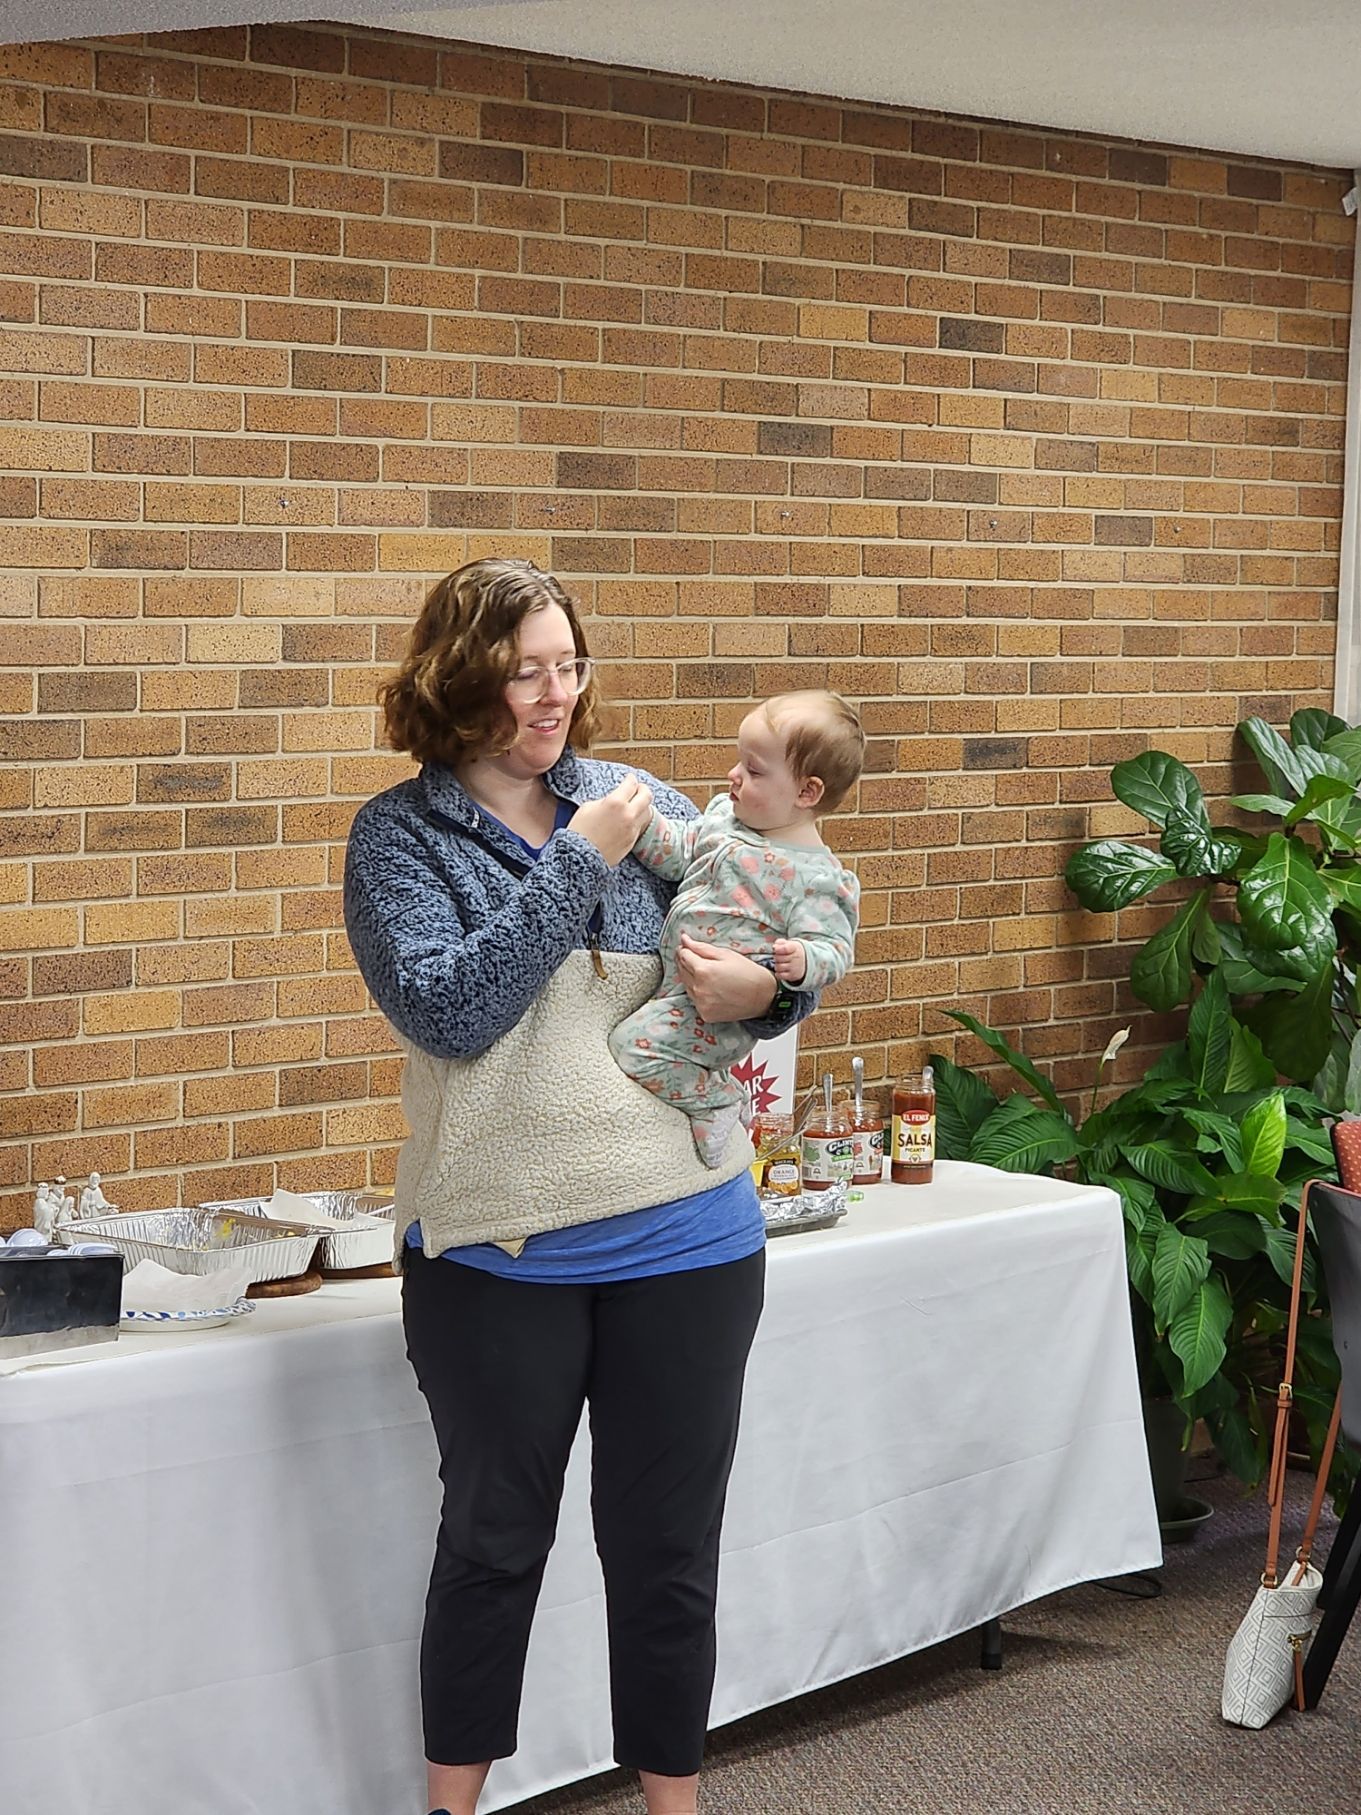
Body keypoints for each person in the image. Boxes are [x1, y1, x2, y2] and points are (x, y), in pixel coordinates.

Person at [342, 558, 816, 1815]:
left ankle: (675, 1810)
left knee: (666, 1559)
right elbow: (450, 1011)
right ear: (459, 678)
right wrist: (576, 865)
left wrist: (775, 991)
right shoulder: (399, 836)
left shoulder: (634, 797)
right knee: (492, 1551)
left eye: (568, 665)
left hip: (693, 1241)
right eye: (523, 671)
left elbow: (771, 906)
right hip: (501, 1259)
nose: (553, 696)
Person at [610, 691, 862, 1165]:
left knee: (632, 1048)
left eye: (755, 770)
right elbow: (680, 852)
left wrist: (805, 962)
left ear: (807, 793)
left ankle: (718, 1100)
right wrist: (640, 824)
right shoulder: (726, 820)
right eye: (740, 761)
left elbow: (835, 948)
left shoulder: (817, 880)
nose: (734, 775)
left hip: (711, 1014)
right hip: (676, 985)